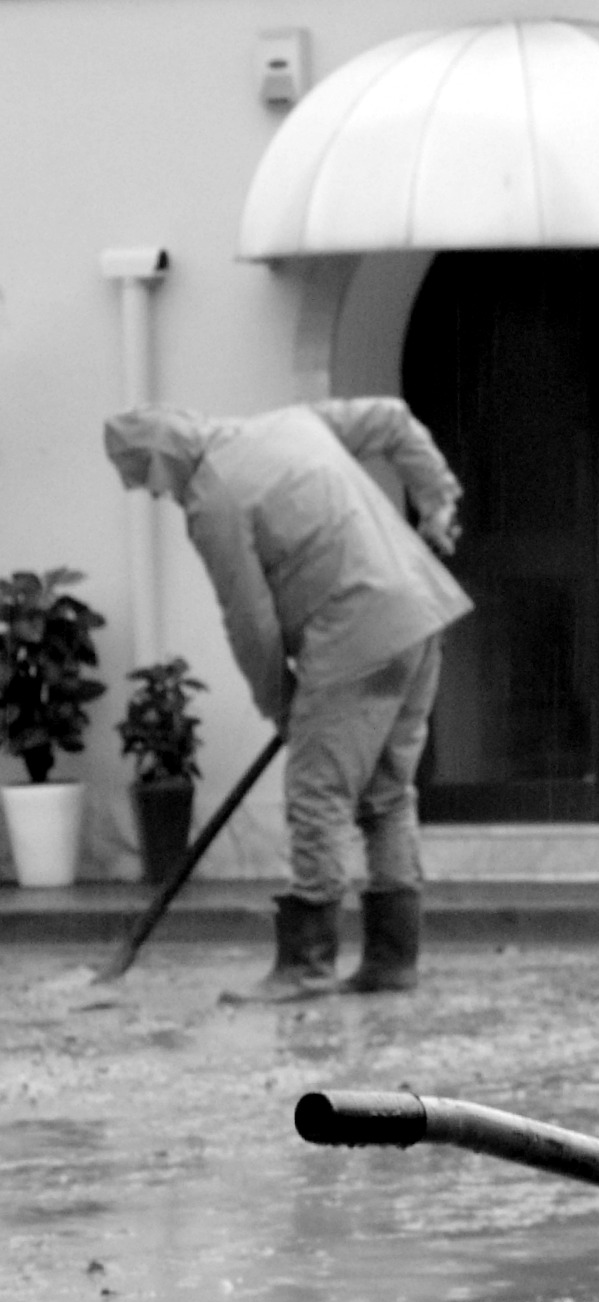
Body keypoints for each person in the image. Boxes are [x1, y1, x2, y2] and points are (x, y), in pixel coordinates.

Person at [104, 399, 472, 1000]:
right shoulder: (289, 423)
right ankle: (393, 958)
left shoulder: (211, 498)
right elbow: (395, 419)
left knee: (317, 795)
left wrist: (283, 706)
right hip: (421, 614)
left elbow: (251, 623)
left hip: (356, 634)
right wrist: (437, 500)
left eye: (145, 480)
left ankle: (307, 963)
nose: (154, 495)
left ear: (158, 459)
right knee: (385, 794)